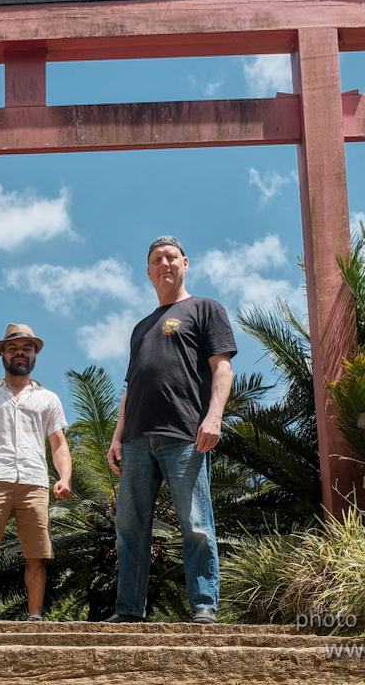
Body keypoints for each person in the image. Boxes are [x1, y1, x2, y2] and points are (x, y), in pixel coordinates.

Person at [104, 236, 236, 624]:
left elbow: (222, 369)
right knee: (129, 527)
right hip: (136, 440)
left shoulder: (205, 309)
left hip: (184, 435)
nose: (165, 264)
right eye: (157, 260)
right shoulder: (141, 327)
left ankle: (204, 604)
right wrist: (116, 436)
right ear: (148, 272)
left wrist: (214, 417)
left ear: (185, 263)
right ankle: (128, 610)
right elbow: (131, 388)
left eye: (171, 257)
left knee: (195, 522)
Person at [0, 324, 72, 622]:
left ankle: (35, 617)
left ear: (34, 355)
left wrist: (64, 478)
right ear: (3, 355)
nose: (20, 353)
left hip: (35, 482)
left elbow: (58, 444)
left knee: (36, 556)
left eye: (26, 348)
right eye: (13, 348)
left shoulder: (49, 399)